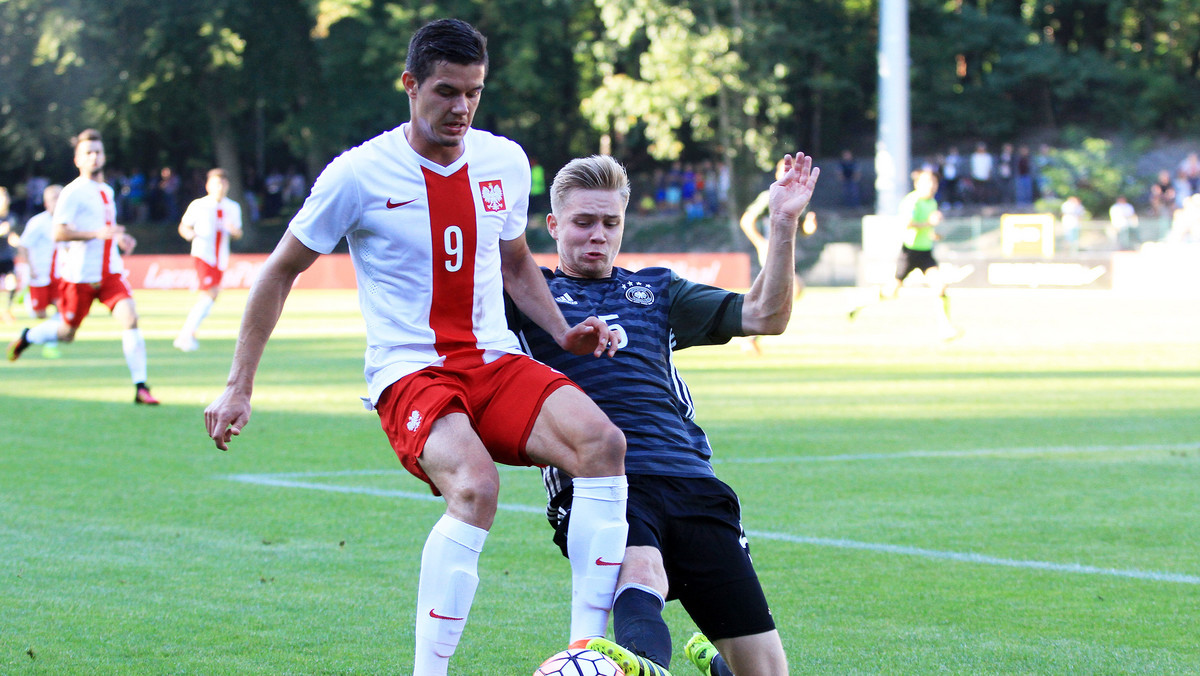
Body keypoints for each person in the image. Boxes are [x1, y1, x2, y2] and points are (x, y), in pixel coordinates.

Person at [201, 19, 628, 676]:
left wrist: (559, 328)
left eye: (474, 93)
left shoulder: (505, 162)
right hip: (411, 370)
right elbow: (279, 270)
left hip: (492, 359)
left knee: (603, 445)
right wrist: (239, 383)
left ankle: (586, 660)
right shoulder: (358, 174)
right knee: (476, 486)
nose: (460, 108)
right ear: (410, 85)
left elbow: (515, 263)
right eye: (446, 91)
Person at [509, 153, 818, 676]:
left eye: (611, 223)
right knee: (642, 571)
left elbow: (767, 314)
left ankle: (713, 666)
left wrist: (783, 221)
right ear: (554, 225)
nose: (598, 236)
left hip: (693, 479)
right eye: (583, 222)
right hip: (603, 482)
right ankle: (642, 666)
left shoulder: (656, 289)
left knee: (767, 672)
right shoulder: (525, 296)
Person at [7, 129, 159, 404]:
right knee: (66, 333)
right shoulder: (71, 193)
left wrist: (120, 238)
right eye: (88, 153)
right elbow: (59, 233)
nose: (94, 157)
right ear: (78, 159)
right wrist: (95, 234)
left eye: (98, 152)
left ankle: (141, 386)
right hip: (79, 276)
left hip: (110, 271)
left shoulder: (107, 191)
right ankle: (28, 335)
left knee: (131, 318)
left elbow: (104, 229)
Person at [849, 169, 960, 341]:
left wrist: (933, 233)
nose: (932, 186)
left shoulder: (931, 202)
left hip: (926, 253)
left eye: (934, 183)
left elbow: (925, 227)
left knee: (940, 287)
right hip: (909, 252)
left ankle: (945, 328)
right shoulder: (912, 201)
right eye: (928, 182)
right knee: (891, 292)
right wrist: (928, 223)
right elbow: (908, 223)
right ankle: (860, 302)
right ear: (918, 184)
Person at [173, 168, 244, 352]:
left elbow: (237, 232)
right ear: (208, 186)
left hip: (221, 258)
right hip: (203, 254)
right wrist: (189, 234)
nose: (219, 187)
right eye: (215, 183)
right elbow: (184, 226)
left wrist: (233, 230)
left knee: (211, 295)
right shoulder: (199, 205)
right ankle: (185, 335)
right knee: (210, 293)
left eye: (222, 183)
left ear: (227, 185)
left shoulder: (233, 207)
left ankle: (189, 333)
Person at [15, 184, 64, 357]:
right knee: (39, 314)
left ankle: (50, 345)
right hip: (39, 275)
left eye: (60, 197)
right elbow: (23, 245)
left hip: (60, 276)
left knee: (62, 309)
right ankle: (31, 333)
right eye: (54, 198)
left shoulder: (68, 222)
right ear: (46, 203)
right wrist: (30, 267)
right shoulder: (38, 222)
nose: (58, 202)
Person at [0, 187, 19, 322]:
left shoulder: (11, 216)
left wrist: (18, 242)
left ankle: (7, 310)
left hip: (6, 256)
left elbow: (11, 236)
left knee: (12, 282)